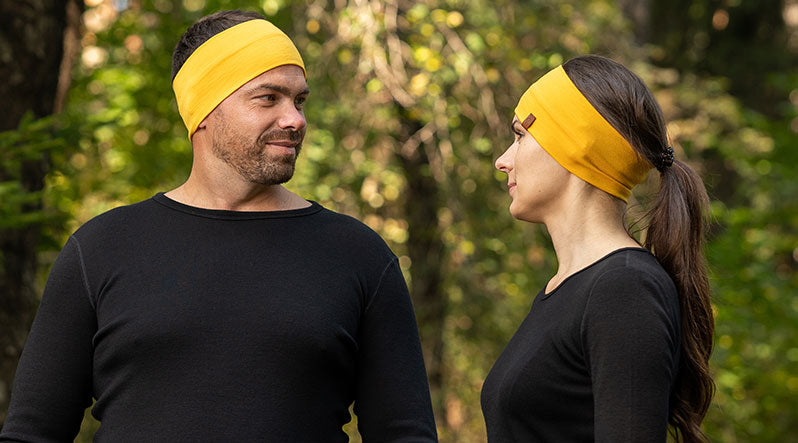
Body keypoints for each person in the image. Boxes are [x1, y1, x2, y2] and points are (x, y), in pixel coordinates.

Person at [0, 10, 437, 441]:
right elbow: (33, 432)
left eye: (299, 100)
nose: (295, 119)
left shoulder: (358, 255)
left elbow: (405, 434)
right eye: (269, 98)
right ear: (204, 108)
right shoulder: (100, 249)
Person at [481, 55, 715, 442]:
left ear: (577, 144)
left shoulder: (623, 290)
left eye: (520, 134)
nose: (502, 160)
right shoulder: (571, 289)